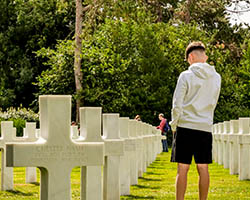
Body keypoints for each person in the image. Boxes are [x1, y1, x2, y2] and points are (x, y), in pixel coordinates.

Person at [169, 41, 221, 200]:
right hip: (204, 127)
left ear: (191, 57)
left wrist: (174, 124)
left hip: (185, 126)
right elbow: (213, 101)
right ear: (203, 56)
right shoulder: (216, 77)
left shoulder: (186, 76)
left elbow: (177, 103)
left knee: (182, 168)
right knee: (203, 167)